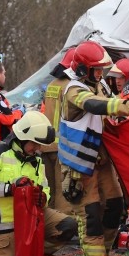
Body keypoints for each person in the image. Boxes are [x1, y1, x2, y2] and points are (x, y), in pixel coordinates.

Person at [59, 40, 129, 256]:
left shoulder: (101, 84)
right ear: (84, 69)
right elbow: (94, 104)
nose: (100, 73)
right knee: (91, 212)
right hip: (80, 165)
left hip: (102, 159)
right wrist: (128, 107)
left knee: (115, 206)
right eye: (96, 69)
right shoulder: (73, 90)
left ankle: (105, 253)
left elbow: (110, 106)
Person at [0, 111, 78, 256]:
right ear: (21, 138)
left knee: (68, 226)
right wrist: (11, 189)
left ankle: (33, 252)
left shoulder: (36, 161)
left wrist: (44, 198)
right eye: (34, 143)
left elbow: (46, 188)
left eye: (39, 144)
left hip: (33, 217)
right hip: (7, 222)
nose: (37, 148)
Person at [40, 48, 76, 211]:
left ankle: (50, 230)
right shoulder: (70, 87)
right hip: (63, 147)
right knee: (63, 193)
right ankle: (63, 231)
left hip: (46, 145)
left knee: (50, 192)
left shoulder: (52, 85)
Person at [0, 54, 24, 139]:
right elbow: (8, 119)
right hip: (0, 138)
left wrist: (12, 110)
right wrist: (20, 112)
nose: (5, 76)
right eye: (4, 74)